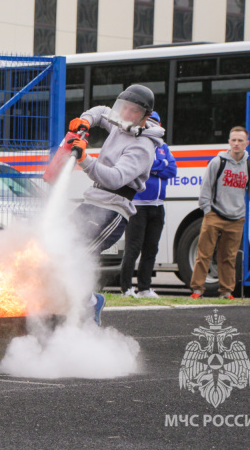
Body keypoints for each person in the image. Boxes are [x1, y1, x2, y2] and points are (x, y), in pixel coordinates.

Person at [66, 85, 165, 325]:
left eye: (134, 111)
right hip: (92, 201)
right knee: (59, 247)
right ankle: (69, 310)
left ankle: (90, 305)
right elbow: (100, 111)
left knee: (78, 259)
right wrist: (85, 122)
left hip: (112, 211)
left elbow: (115, 178)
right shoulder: (122, 124)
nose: (126, 114)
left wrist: (84, 159)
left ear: (145, 116)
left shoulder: (143, 146)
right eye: (124, 108)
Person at [190, 126, 250, 299]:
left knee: (229, 257)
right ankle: (197, 290)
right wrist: (207, 210)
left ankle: (226, 291)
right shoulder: (218, 162)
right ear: (229, 142)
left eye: (240, 140)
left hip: (237, 218)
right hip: (215, 214)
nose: (236, 143)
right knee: (204, 253)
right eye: (233, 140)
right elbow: (205, 188)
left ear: (247, 143)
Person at [119, 112, 177, 298]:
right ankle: (126, 289)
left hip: (158, 206)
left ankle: (144, 288)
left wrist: (155, 165)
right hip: (138, 205)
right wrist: (162, 164)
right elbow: (142, 166)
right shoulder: (137, 145)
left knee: (151, 249)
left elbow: (172, 170)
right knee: (133, 248)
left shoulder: (163, 147)